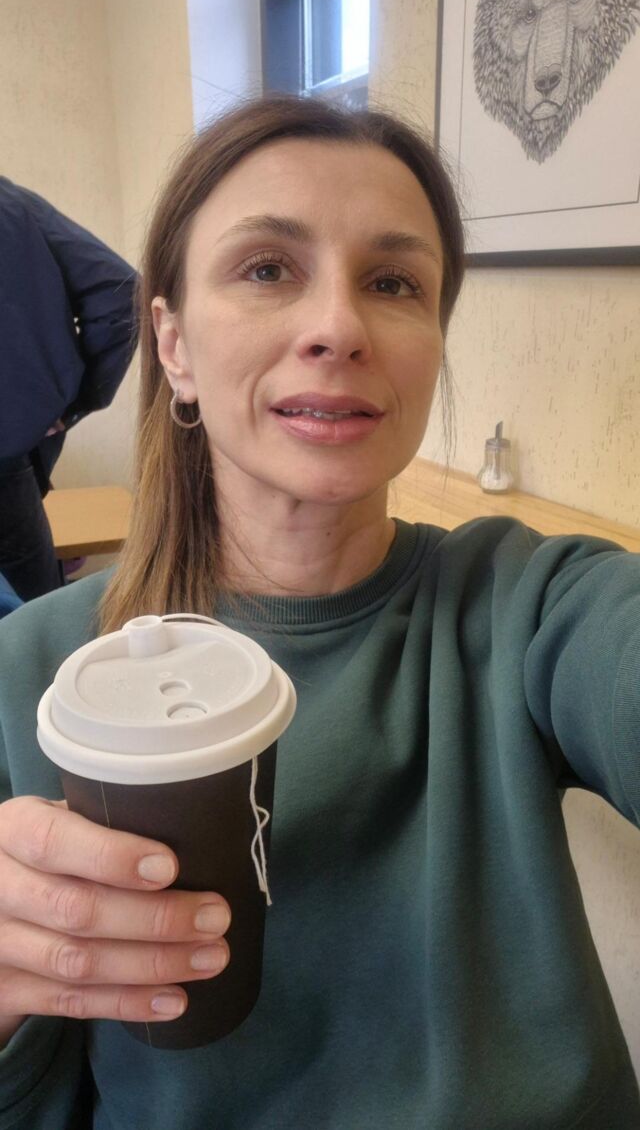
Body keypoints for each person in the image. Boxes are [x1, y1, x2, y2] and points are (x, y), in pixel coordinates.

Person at [0, 95, 638, 1129]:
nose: (339, 328)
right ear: (173, 345)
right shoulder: (29, 672)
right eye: (266, 269)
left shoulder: (532, 604)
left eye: (392, 283)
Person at [0, 177, 137, 602]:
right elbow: (120, 293)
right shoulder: (11, 205)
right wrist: (69, 403)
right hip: (7, 466)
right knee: (35, 622)